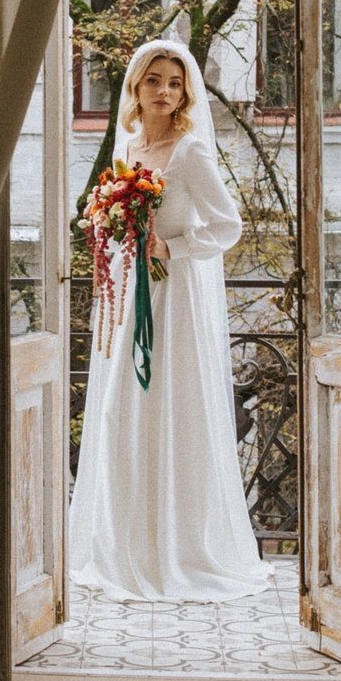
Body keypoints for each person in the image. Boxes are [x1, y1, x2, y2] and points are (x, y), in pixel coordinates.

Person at [68, 38, 274, 601]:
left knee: (168, 405)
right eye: (154, 79)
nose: (164, 91)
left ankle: (177, 546)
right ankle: (123, 543)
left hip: (171, 300)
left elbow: (228, 226)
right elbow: (117, 214)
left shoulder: (189, 151)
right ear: (135, 85)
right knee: (122, 411)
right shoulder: (129, 143)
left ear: (186, 92)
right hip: (128, 292)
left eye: (175, 82)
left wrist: (172, 249)